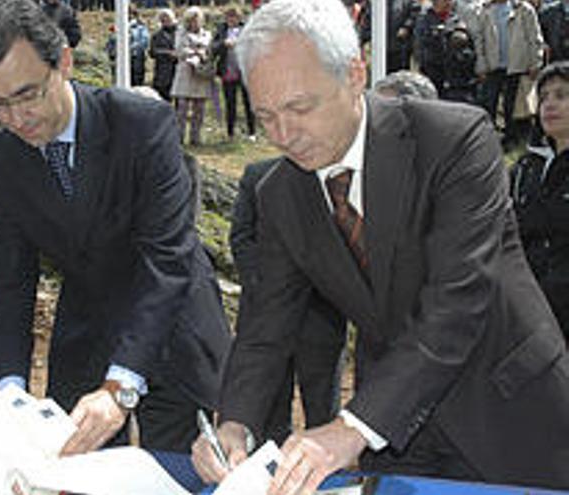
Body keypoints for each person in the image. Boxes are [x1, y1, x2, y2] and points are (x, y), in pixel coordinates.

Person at [191, 0, 569, 492]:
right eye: (265, 116)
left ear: (354, 74)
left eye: (299, 108)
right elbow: (266, 324)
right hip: (397, 433)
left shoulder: (453, 140)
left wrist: (351, 427)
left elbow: (457, 305)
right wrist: (233, 424)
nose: (283, 135)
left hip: (509, 408)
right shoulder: (280, 192)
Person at [0, 0, 231, 455]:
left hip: (173, 328)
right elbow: (8, 282)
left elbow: (168, 257)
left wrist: (121, 386)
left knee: (179, 473)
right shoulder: (0, 160)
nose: (16, 118)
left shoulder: (141, 124)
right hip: (86, 336)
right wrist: (9, 389)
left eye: (28, 95)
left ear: (63, 63)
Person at [230, 157, 345, 445]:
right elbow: (241, 237)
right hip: (264, 316)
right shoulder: (257, 174)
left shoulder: (334, 181)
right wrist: (272, 291)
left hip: (322, 315)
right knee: (269, 405)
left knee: (322, 406)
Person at [511, 61, 569, 340]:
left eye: (562, 95)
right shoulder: (525, 168)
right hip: (529, 313)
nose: (550, 105)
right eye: (543, 97)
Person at [474, 0, 544, 145]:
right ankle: (488, 139)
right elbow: (479, 39)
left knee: (511, 106)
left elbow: (534, 37)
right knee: (489, 103)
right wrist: (481, 65)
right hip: (493, 67)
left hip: (516, 66)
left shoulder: (523, 9)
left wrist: (536, 62)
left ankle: (511, 138)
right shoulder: (483, 10)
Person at [212, 6, 255, 141]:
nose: (231, 19)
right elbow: (213, 47)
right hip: (228, 71)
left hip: (245, 71)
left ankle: (252, 132)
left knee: (248, 102)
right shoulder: (221, 29)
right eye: (229, 16)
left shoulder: (247, 28)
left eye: (234, 16)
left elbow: (254, 45)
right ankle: (230, 133)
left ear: (239, 17)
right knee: (230, 103)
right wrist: (224, 44)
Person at [171, 6, 212, 146]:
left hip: (200, 73)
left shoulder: (207, 34)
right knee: (181, 109)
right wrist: (195, 52)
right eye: (191, 20)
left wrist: (202, 54)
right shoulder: (180, 33)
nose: (194, 23)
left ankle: (196, 138)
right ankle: (179, 138)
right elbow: (179, 50)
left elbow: (210, 50)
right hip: (185, 73)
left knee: (199, 108)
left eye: (197, 20)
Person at [148, 8, 178, 102]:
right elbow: (152, 52)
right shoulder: (157, 35)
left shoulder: (180, 33)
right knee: (163, 102)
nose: (165, 20)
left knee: (180, 104)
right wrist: (168, 53)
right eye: (162, 18)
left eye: (167, 17)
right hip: (162, 74)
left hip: (179, 71)